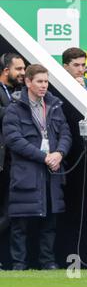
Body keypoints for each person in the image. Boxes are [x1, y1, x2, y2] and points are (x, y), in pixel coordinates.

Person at [2, 64, 72, 270]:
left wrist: (59, 153)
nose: (44, 86)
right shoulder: (14, 109)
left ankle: (47, 262)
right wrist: (44, 157)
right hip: (26, 172)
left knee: (50, 222)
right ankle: (19, 264)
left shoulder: (55, 106)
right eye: (39, 81)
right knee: (20, 224)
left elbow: (66, 134)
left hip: (52, 171)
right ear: (28, 82)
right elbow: (14, 140)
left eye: (46, 81)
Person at [0, 53, 26, 268]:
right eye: (18, 69)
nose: (23, 73)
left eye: (24, 69)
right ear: (6, 70)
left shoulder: (21, 92)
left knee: (10, 215)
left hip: (13, 163)